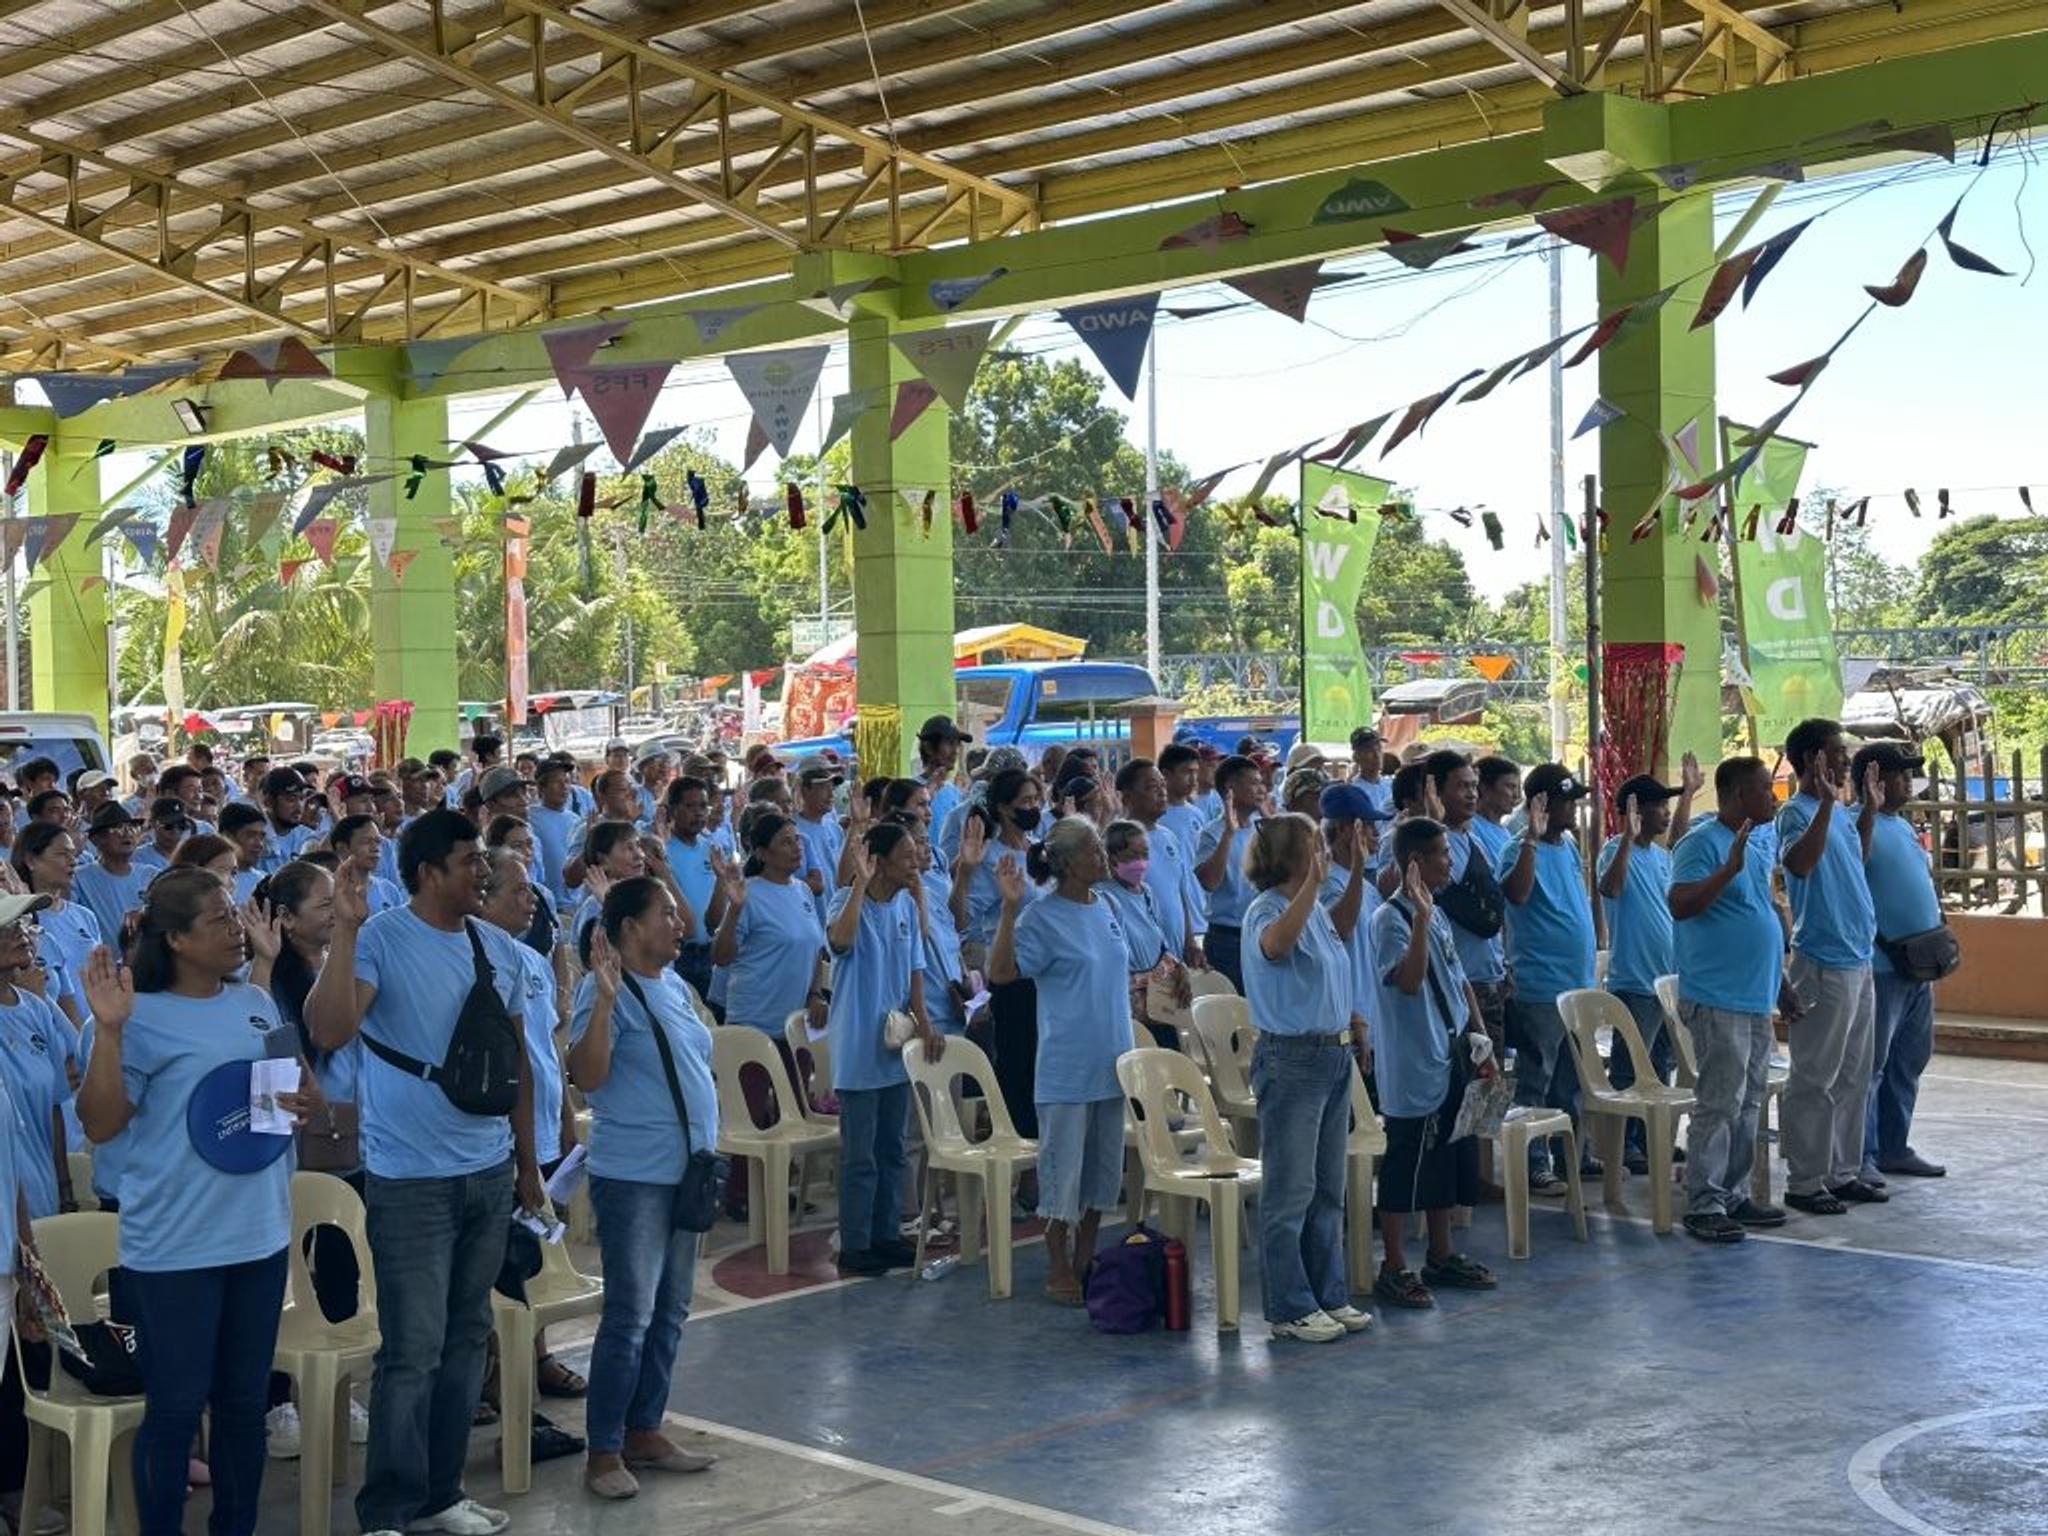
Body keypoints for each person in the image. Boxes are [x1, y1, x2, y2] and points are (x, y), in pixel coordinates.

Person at [305, 809, 545, 1536]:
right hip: (409, 1178)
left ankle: (441, 1495)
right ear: (428, 873)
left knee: (467, 1337)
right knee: (412, 1350)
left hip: (486, 1169)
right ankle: (389, 1508)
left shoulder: (496, 948)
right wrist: (345, 930)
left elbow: (517, 1065)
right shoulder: (380, 939)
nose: (486, 872)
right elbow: (330, 1028)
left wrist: (526, 1166)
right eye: (470, 861)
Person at [75, 869, 312, 1536]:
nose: (236, 929)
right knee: (176, 1410)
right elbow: (99, 1124)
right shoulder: (138, 1015)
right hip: (175, 1247)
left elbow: (294, 1100)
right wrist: (110, 1033)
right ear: (175, 938)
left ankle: (235, 1526)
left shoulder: (255, 1002)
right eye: (219, 920)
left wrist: (292, 1101)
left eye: (235, 915)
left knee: (241, 1408)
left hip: (258, 1236)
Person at [565, 878, 719, 1501]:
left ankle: (645, 1428)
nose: (679, 922)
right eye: (665, 914)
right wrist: (602, 1003)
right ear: (628, 928)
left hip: (687, 1171)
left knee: (672, 1310)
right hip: (635, 1176)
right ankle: (603, 1449)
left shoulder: (675, 986)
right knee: (630, 1315)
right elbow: (588, 1079)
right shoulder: (605, 990)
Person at [1238, 814, 1375, 1342]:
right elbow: (1276, 946)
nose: (1322, 849)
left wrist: (1354, 1018)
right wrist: (1315, 887)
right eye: (1312, 844)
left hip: (1332, 1055)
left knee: (1326, 1188)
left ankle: (1327, 1294)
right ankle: (1289, 1307)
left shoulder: (1313, 909)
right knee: (1290, 1190)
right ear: (1289, 856)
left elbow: (1339, 936)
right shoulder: (1266, 910)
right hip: (1292, 1060)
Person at [989, 819, 1128, 1304]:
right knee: (1062, 1172)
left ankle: (1087, 1252)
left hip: (1112, 1058)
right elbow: (1001, 972)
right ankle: (1056, 1255)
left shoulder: (1107, 905)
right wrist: (1010, 909)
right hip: (1067, 1064)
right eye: (1093, 849)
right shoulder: (1040, 917)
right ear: (1066, 862)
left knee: (1102, 1171)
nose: (1103, 855)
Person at [1371, 818, 1499, 1308]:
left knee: (1444, 1155)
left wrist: (1478, 1034)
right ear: (1415, 863)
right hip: (1412, 1060)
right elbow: (1407, 980)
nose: (1451, 861)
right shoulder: (1390, 919)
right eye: (1442, 854)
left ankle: (1442, 1253)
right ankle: (1395, 1263)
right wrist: (1420, 920)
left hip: (1448, 1051)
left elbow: (1457, 976)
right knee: (1407, 1161)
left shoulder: (1438, 913)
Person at [1670, 757, 1795, 1242]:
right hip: (1716, 995)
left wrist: (1782, 986)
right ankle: (1704, 1202)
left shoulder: (1755, 842)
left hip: (1754, 996)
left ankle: (1734, 1194)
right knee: (1718, 1102)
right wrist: (1727, 870)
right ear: (1740, 795)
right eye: (1766, 789)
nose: (1773, 797)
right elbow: (1679, 905)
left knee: (1749, 1102)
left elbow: (1758, 911)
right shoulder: (1701, 843)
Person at [1776, 718, 1884, 1216]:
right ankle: (1805, 1180)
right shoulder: (1795, 813)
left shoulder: (1836, 810)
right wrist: (1824, 806)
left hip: (1857, 957)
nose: (1845, 760)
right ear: (1811, 760)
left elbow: (1853, 861)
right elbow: (1799, 864)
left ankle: (1842, 1173)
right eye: (1836, 752)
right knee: (1815, 1076)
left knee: (1854, 1074)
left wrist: (1866, 814)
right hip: (1823, 960)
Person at [826, 825, 943, 1277]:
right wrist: (858, 882)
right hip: (858, 1044)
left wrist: (925, 1024)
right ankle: (856, 1244)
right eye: (907, 856)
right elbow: (840, 942)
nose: (916, 864)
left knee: (892, 1147)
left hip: (896, 1045)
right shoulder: (845, 902)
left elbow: (915, 971)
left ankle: (886, 1233)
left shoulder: (907, 908)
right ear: (878, 860)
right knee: (861, 1154)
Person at [709, 813, 825, 1217]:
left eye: (798, 839)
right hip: (753, 1022)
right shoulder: (749, 893)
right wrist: (735, 910)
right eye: (786, 842)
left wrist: (815, 993)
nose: (798, 847)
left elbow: (814, 948)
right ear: (761, 852)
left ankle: (777, 1186)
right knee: (752, 1113)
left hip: (794, 1024)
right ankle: (741, 1195)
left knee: (790, 1107)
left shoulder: (803, 892)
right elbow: (721, 956)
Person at [1496, 764, 1598, 1194]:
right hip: (1540, 986)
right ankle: (1534, 1163)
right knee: (1535, 1081)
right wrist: (1531, 840)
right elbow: (1516, 894)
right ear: (1540, 803)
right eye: (1567, 800)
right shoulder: (1518, 847)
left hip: (1576, 985)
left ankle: (1570, 1155)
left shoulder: (1570, 844)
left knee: (1572, 1082)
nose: (1574, 808)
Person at [1849, 742, 1947, 1182]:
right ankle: (1864, 1155)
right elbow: (1855, 865)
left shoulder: (1904, 827)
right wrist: (1867, 808)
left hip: (1920, 963)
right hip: (1884, 965)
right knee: (1872, 1067)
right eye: (1900, 774)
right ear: (1875, 779)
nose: (1908, 782)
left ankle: (1894, 1146)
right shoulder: (1856, 824)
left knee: (1909, 1060)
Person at [1597, 762, 1699, 1172]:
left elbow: (1678, 839)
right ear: (1636, 812)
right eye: (1658, 807)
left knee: (1661, 1066)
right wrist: (1625, 835)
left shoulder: (1660, 856)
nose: (1664, 813)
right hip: (1634, 982)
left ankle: (1653, 1136)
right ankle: (1625, 1145)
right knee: (1629, 1070)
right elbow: (1611, 887)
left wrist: (1689, 794)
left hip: (1663, 982)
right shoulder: (1612, 849)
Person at [955, 768, 1045, 1139]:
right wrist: (965, 872)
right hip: (1011, 975)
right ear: (1004, 809)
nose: (1033, 808)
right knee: (1018, 1067)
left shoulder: (1040, 849)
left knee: (1044, 1067)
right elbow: (960, 917)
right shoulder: (991, 856)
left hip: (1045, 973)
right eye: (1025, 802)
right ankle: (1022, 1158)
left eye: (1037, 800)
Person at [1195, 754, 1266, 992]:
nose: (1261, 788)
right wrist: (1228, 833)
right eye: (1253, 782)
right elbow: (1210, 882)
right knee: (1235, 1016)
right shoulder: (1212, 833)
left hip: (1261, 932)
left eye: (1261, 782)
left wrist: (1271, 821)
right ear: (1230, 787)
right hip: (1228, 939)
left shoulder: (1263, 827)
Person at [662, 777, 725, 1002]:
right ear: (672, 810)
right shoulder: (661, 851)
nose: (699, 813)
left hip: (711, 952)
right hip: (678, 955)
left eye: (702, 806)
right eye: (690, 806)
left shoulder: (712, 849)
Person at [73, 802, 150, 947]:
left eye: (132, 827)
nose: (127, 833)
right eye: (118, 828)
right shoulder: (79, 878)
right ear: (97, 839)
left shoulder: (151, 875)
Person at [791, 757, 845, 921]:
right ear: (805, 789)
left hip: (836, 923)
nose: (831, 794)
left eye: (832, 787)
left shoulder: (834, 828)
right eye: (823, 786)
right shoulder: (792, 832)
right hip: (809, 923)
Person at [333, 814, 407, 916]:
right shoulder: (330, 891)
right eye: (366, 842)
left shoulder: (389, 889)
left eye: (377, 842)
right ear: (343, 849)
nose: (375, 848)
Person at [916, 716, 969, 835]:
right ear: (928, 748)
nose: (956, 751)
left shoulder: (954, 792)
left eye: (957, 744)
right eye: (950, 743)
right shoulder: (909, 790)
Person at [258, 768, 317, 872]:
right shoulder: (254, 837)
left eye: (302, 799)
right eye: (291, 799)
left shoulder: (308, 836)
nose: (299, 807)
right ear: (268, 801)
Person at [219, 802, 271, 901]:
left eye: (262, 837)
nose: (259, 844)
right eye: (251, 835)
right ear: (227, 837)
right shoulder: (209, 881)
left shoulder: (266, 883)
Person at [1349, 728, 1393, 816]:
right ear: (1356, 756)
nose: (1377, 755)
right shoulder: (1354, 790)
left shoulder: (1391, 784)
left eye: (1379, 748)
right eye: (1369, 750)